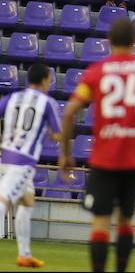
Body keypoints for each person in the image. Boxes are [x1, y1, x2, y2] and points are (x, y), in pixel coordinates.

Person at [59, 19, 135, 273]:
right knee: (126, 221)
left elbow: (69, 113)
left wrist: (65, 154)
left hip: (104, 160)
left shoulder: (97, 72)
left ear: (109, 41)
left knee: (100, 223)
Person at [0, 64, 61, 268]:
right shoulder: (47, 102)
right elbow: (57, 134)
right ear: (45, 80)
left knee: (26, 203)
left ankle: (25, 255)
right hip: (22, 161)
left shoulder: (12, 98)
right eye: (49, 79)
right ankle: (24, 254)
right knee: (3, 203)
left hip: (7, 156)